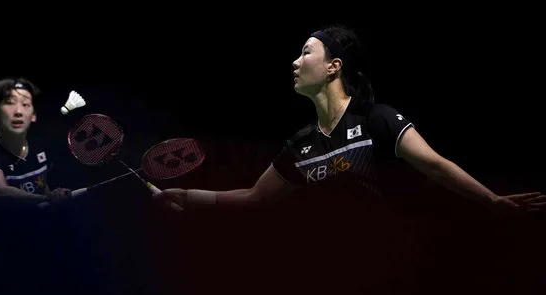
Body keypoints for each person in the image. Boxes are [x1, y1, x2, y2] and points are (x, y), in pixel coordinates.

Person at [154, 24, 545, 213]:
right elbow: (254, 197)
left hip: (397, 270)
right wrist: (188, 197)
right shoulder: (301, 145)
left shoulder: (377, 120)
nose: (295, 61)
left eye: (306, 52)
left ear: (332, 67)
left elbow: (436, 165)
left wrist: (491, 200)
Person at [0, 77, 72, 207]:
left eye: (25, 105)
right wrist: (45, 198)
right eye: (10, 102)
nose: (18, 112)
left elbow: (42, 184)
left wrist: (52, 199)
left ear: (33, 115)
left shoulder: (39, 147)